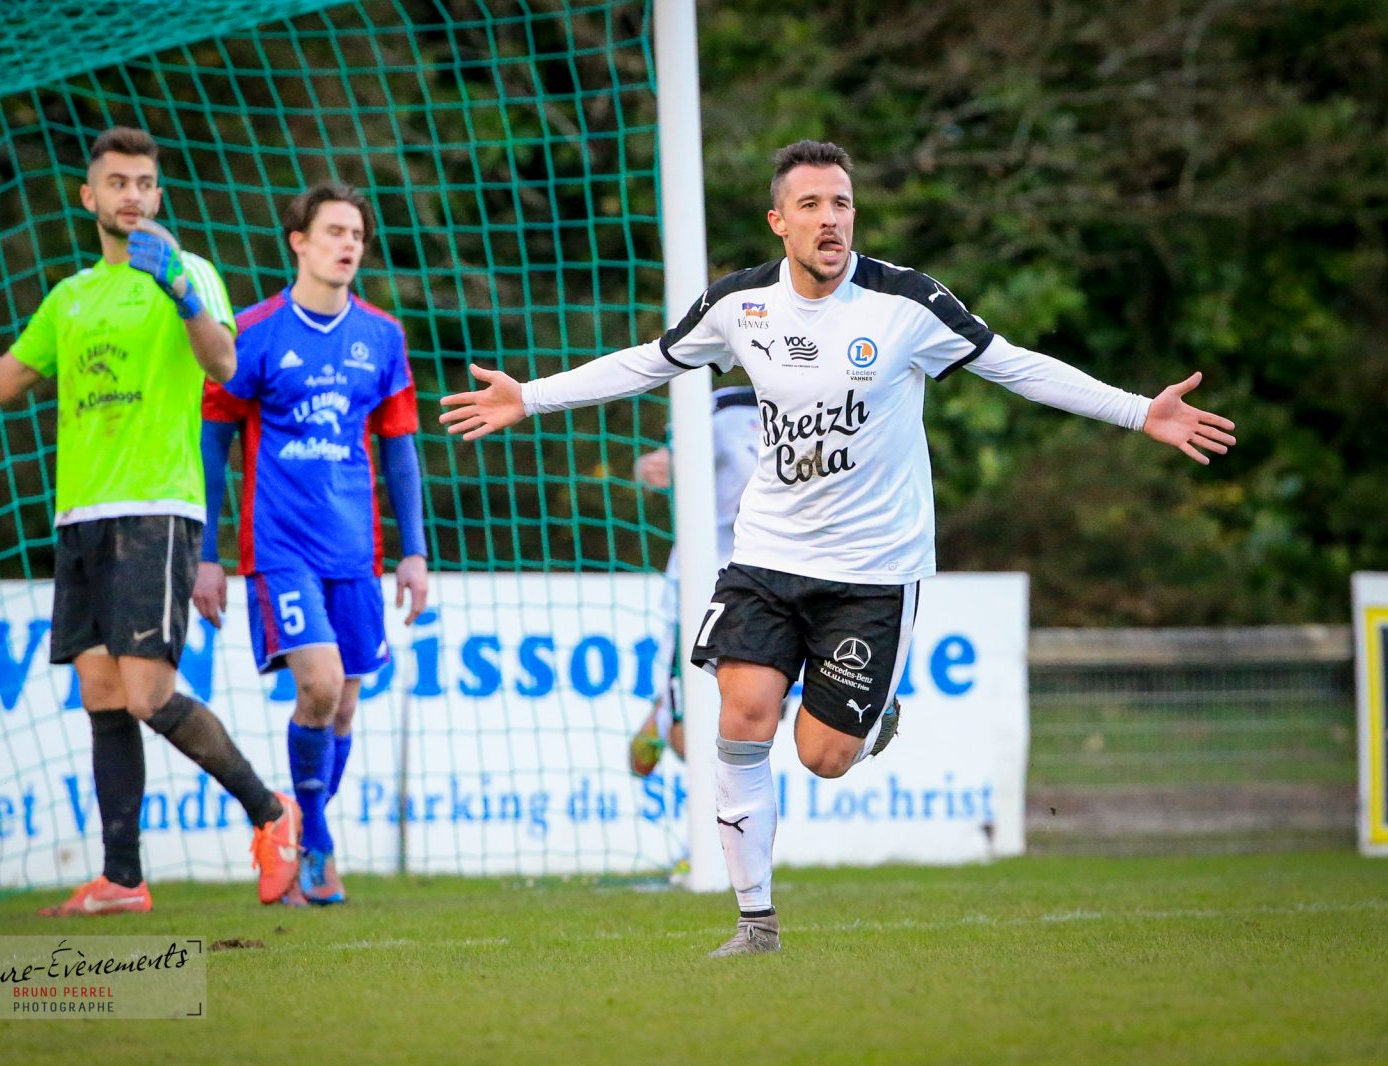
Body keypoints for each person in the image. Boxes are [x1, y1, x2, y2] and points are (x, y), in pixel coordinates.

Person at [438, 139, 1236, 957]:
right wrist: (531, 396)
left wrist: (1140, 411)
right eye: (812, 205)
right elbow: (652, 362)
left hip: (874, 570)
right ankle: (755, 922)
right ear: (779, 222)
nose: (831, 220)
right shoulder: (740, 304)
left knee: (822, 756)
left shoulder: (907, 303)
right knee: (742, 715)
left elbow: (1015, 367)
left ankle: (873, 708)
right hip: (766, 556)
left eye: (842, 204)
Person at [0, 126, 302, 915]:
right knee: (102, 693)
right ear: (88, 195)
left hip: (156, 510)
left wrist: (183, 292)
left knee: (147, 694)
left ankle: (271, 813)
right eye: (117, 182)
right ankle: (122, 880)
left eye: (144, 183)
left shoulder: (188, 271)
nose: (132, 195)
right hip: (82, 517)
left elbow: (223, 364)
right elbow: (1, 381)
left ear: (158, 196)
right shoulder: (70, 297)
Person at [194, 180, 428, 907]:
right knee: (320, 686)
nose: (347, 244)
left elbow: (399, 449)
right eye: (334, 231)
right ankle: (316, 840)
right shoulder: (254, 332)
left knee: (345, 708)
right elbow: (212, 443)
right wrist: (205, 554)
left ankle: (301, 836)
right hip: (279, 546)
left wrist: (414, 551)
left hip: (354, 551)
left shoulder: (382, 336)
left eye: (356, 234)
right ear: (299, 242)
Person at [628, 385, 760, 777]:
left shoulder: (830, 403)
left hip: (769, 580)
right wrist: (654, 465)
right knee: (689, 738)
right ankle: (665, 714)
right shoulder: (729, 406)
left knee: (748, 723)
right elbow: (666, 459)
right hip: (701, 579)